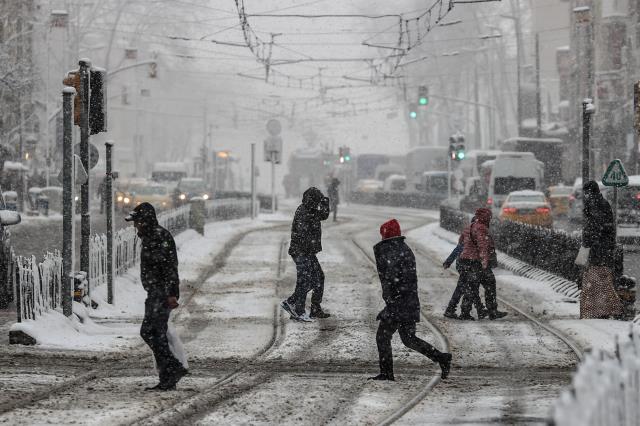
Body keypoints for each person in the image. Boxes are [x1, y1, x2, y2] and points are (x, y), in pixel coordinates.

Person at [369, 219, 452, 381]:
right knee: (408, 339)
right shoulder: (401, 249)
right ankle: (442, 358)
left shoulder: (393, 251)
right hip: (407, 302)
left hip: (399, 303)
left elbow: (392, 279)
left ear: (386, 235)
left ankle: (387, 373)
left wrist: (392, 301)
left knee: (383, 337)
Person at [125, 202, 189, 391]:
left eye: (137, 222)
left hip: (161, 293)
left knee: (151, 332)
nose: (135, 225)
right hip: (155, 291)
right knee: (154, 333)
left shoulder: (158, 237)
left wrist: (170, 294)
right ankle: (169, 374)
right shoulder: (152, 236)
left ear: (145, 221)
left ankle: (172, 369)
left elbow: (169, 268)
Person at [281, 187, 331, 321]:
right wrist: (310, 248)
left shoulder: (311, 210)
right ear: (312, 200)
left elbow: (323, 216)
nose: (318, 204)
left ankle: (314, 308)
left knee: (318, 278)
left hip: (307, 252)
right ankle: (298, 310)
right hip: (301, 252)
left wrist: (325, 205)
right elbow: (303, 235)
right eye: (317, 201)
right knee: (305, 280)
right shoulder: (304, 212)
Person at [580, 180, 623, 319]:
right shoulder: (596, 203)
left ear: (591, 192)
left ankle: (603, 310)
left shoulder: (597, 205)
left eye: (586, 192)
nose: (585, 195)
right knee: (598, 278)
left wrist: (589, 241)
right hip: (599, 247)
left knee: (598, 279)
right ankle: (601, 309)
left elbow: (597, 227)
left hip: (599, 248)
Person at [457, 208, 507, 320]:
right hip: (477, 262)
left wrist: (467, 251)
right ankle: (492, 310)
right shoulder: (482, 228)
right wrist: (484, 262)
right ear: (486, 217)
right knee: (490, 284)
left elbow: (460, 241)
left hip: (466, 260)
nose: (490, 219)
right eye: (489, 217)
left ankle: (465, 312)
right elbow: (483, 246)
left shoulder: (469, 226)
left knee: (471, 286)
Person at [442, 230, 488, 320]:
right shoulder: (473, 235)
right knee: (470, 287)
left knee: (465, 287)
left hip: (463, 264)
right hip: (467, 265)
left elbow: (458, 248)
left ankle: (454, 309)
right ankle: (466, 311)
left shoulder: (468, 232)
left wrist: (448, 261)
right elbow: (459, 248)